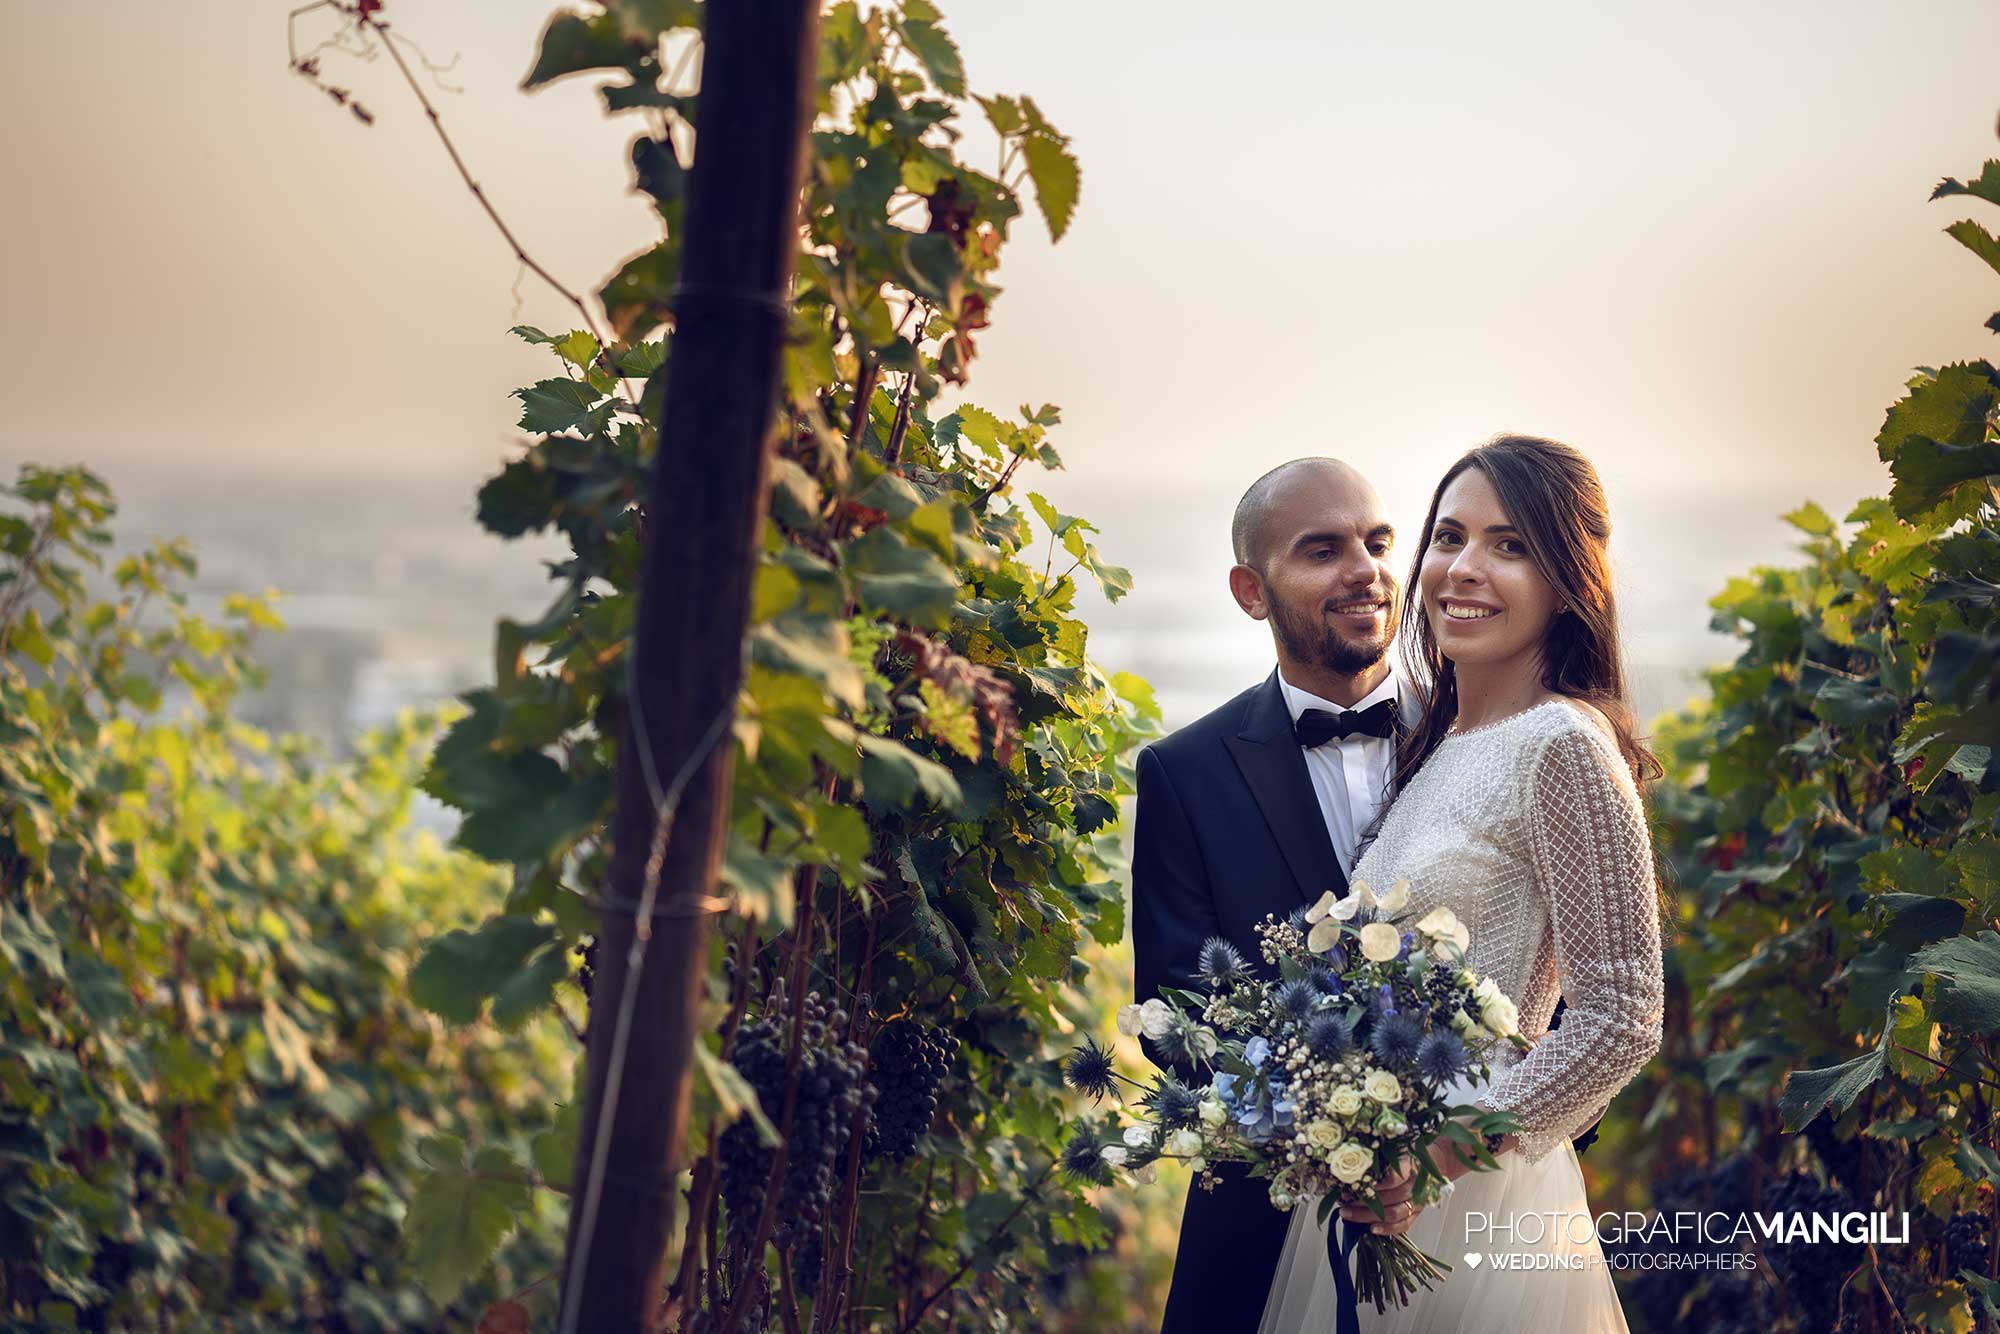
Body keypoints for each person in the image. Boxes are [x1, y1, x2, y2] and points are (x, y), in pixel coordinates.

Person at [1257, 435, 1669, 1334]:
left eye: (1511, 545)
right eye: (1449, 537)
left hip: (1480, 1197)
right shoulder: (1437, 745)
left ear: (1569, 581)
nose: (1464, 569)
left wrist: (1440, 1150)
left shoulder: (1562, 745)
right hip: (1379, 1187)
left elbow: (1625, 1014)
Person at [1131, 457, 1419, 1333]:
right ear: (1251, 592)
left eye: (1376, 542)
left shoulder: (1484, 739)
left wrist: (1469, 1142)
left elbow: (1553, 976)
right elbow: (1174, 1009)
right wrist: (1331, 1138)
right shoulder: (1183, 772)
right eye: (1322, 551)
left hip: (1480, 1209)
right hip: (1264, 1228)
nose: (1365, 571)